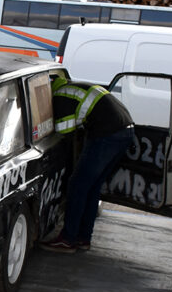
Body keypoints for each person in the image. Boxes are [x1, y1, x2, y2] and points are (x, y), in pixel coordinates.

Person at [40, 76, 135, 254]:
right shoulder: (74, 87)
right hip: (125, 131)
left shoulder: (60, 97)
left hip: (108, 135)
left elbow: (65, 134)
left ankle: (68, 239)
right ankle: (83, 238)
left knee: (78, 186)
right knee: (92, 187)